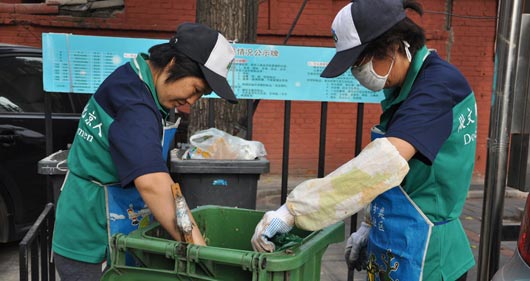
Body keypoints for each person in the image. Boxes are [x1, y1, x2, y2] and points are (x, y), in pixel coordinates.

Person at [251, 1, 477, 280]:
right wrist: (370, 225)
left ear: (394, 45)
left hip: (428, 255)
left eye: (360, 62)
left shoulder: (437, 87)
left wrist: (293, 211)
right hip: (397, 237)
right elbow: (397, 177)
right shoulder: (407, 88)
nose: (357, 73)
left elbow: (386, 162)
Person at [52, 22, 238, 281]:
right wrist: (202, 255)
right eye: (196, 89)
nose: (192, 102)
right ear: (173, 64)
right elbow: (152, 183)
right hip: (91, 238)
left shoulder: (137, 79)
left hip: (114, 221)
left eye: (201, 95)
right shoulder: (135, 104)